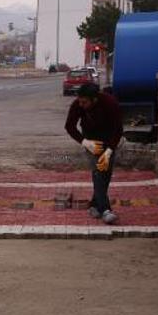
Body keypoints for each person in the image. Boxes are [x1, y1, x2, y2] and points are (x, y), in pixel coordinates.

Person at [65, 83, 123, 224]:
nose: (81, 104)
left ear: (94, 99)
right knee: (98, 171)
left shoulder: (110, 103)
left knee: (106, 174)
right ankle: (105, 210)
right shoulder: (78, 104)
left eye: (84, 102)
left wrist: (109, 151)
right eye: (80, 101)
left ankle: (94, 204)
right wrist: (85, 142)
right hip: (91, 142)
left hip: (109, 140)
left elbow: (118, 129)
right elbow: (69, 126)